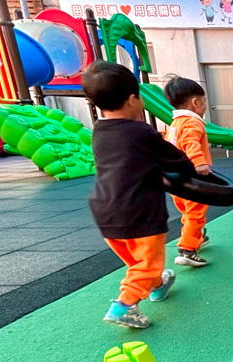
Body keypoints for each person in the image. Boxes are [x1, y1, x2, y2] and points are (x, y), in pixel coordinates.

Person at [84, 62, 197, 329]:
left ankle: (157, 285)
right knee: (146, 263)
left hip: (105, 212)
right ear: (132, 99)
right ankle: (123, 306)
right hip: (140, 212)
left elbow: (126, 164)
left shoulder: (99, 132)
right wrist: (190, 171)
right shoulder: (142, 132)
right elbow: (178, 161)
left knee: (139, 262)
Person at [163, 76, 213, 268]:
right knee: (196, 213)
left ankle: (196, 237)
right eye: (204, 101)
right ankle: (187, 249)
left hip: (175, 179)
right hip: (192, 179)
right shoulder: (192, 122)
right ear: (195, 102)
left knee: (188, 212)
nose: (205, 105)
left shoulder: (175, 124)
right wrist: (200, 164)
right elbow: (191, 143)